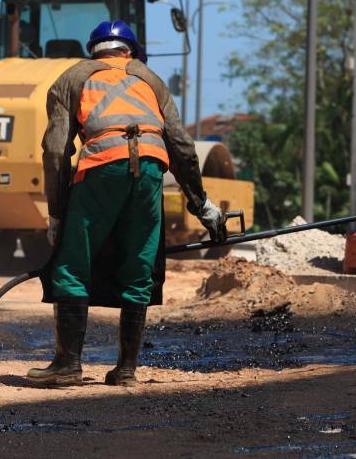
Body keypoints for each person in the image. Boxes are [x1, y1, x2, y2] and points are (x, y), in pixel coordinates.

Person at [28, 20, 226, 387]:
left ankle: (68, 365)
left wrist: (56, 211)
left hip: (101, 168)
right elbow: (182, 146)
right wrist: (204, 207)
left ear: (94, 50)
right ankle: (126, 370)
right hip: (151, 169)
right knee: (140, 265)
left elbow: (56, 149)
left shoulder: (71, 78)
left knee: (71, 264)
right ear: (131, 52)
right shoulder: (150, 79)